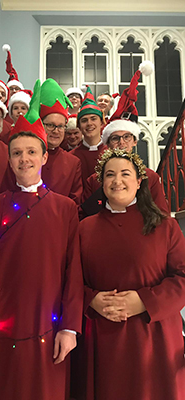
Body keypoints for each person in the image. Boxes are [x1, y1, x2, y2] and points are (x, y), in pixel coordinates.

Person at [0, 80, 83, 400]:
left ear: (44, 157)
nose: (24, 159)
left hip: (45, 330)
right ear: (9, 159)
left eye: (32, 152)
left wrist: (69, 328)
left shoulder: (65, 209)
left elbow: (73, 274)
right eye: (16, 153)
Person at [78, 148, 185, 400]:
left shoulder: (165, 226)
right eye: (109, 175)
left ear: (139, 182)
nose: (117, 181)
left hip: (155, 337)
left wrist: (144, 301)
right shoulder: (84, 229)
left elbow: (182, 278)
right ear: (101, 184)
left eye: (125, 174)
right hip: (105, 338)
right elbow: (72, 281)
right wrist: (91, 299)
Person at [82, 62, 168, 217]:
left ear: (135, 141)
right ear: (107, 143)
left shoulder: (151, 178)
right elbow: (86, 217)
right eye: (115, 138)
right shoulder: (93, 181)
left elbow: (163, 216)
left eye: (127, 137)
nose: (122, 143)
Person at [40, 79, 83, 205]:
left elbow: (75, 202)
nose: (56, 131)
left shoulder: (73, 162)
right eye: (50, 125)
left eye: (60, 126)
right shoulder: (28, 156)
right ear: (41, 125)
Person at [71, 86, 107, 189]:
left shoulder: (111, 153)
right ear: (79, 126)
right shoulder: (72, 157)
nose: (89, 123)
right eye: (84, 120)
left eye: (93, 119)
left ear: (101, 123)